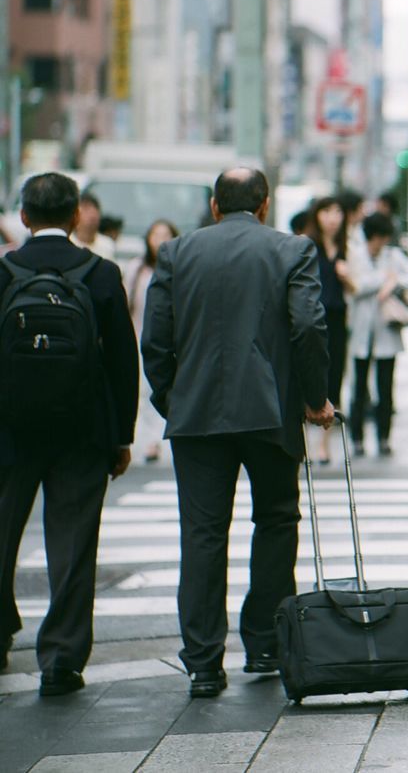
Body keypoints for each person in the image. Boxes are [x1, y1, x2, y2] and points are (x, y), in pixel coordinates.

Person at [142, 167, 333, 698]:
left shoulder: (177, 253)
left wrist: (172, 398)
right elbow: (308, 327)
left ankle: (203, 661)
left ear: (214, 205)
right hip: (269, 409)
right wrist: (313, 398)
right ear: (266, 205)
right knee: (275, 520)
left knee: (202, 533)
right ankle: (266, 642)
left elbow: (155, 340)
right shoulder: (291, 251)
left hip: (197, 414)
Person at [0, 173, 138, 697]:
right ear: (78, 215)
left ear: (24, 217)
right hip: (83, 431)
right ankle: (61, 659)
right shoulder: (100, 272)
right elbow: (125, 361)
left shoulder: (3, 269)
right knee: (73, 544)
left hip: (10, 430)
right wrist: (121, 436)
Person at [347, 213, 408, 457]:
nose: (381, 243)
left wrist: (393, 283)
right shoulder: (355, 255)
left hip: (386, 330)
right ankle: (356, 438)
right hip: (361, 332)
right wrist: (383, 280)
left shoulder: (392, 255)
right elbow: (355, 286)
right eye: (378, 238)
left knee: (386, 388)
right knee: (359, 388)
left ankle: (384, 437)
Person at [124, 220, 180, 464]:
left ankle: (157, 439)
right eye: (155, 234)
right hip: (138, 335)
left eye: (165, 234)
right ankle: (148, 441)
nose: (160, 239)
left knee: (161, 387)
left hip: (167, 340)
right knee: (142, 392)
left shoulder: (180, 266)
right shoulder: (137, 268)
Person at [305, 197, 354, 463]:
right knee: (305, 377)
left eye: (338, 211)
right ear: (317, 215)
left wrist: (347, 277)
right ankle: (303, 441)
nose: (333, 217)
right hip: (310, 320)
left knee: (333, 377)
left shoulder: (347, 246)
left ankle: (323, 444)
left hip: (336, 319)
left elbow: (356, 289)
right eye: (327, 211)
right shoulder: (306, 244)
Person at [72, 192, 116, 261]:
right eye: (86, 209)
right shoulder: (69, 243)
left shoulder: (107, 244)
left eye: (95, 209)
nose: (92, 214)